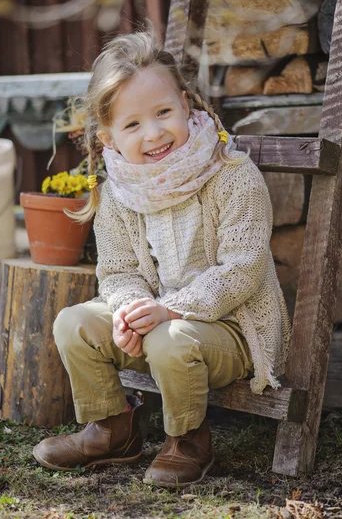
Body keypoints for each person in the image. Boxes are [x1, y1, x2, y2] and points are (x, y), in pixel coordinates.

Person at [33, 28, 290, 488]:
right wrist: (128, 313)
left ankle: (187, 440)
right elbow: (118, 271)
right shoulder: (118, 194)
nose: (153, 133)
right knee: (73, 323)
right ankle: (112, 429)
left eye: (164, 113)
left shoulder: (232, 175)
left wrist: (168, 311)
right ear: (108, 137)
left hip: (232, 330)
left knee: (170, 338)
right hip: (157, 322)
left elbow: (243, 268)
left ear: (186, 106)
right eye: (133, 125)